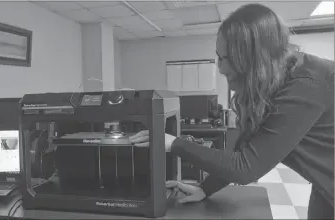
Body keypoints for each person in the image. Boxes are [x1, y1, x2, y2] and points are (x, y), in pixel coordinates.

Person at [129, 3, 334, 220]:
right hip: (324, 185)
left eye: (226, 59)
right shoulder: (277, 81)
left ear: (253, 60)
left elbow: (245, 168)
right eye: (219, 56)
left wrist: (172, 143)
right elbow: (246, 149)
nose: (219, 67)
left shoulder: (306, 85)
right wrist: (205, 188)